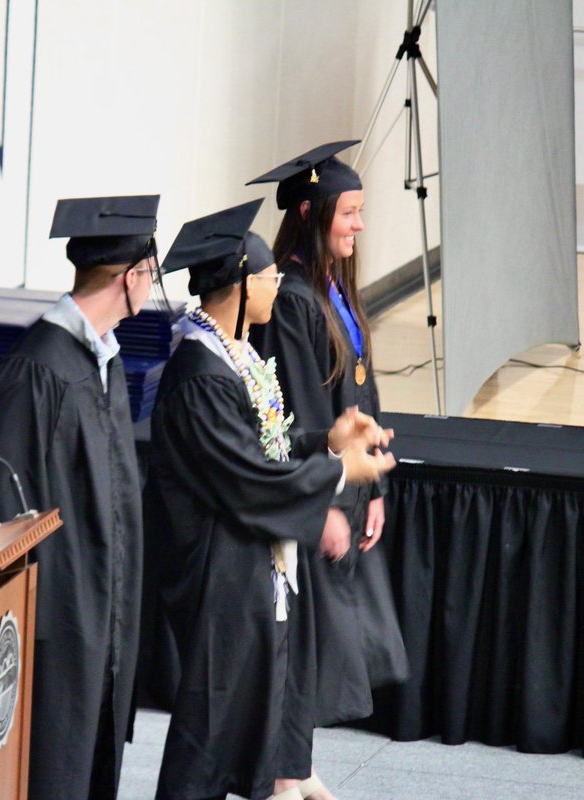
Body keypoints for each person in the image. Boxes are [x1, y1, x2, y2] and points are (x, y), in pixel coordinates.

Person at [147, 200, 395, 800]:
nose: (277, 287)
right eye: (268, 278)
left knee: (254, 700)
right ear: (237, 282)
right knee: (212, 722)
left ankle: (286, 778)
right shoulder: (201, 374)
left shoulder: (239, 356)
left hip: (254, 564)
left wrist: (325, 438)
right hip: (217, 570)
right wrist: (337, 472)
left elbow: (269, 445)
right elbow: (248, 478)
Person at [0, 195, 159, 799]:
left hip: (101, 609)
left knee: (90, 761)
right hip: (56, 617)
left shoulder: (101, 360)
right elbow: (1, 507)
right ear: (130, 278)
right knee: (53, 766)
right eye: (151, 276)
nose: (153, 288)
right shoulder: (38, 370)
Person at [248, 141, 408, 728]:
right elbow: (303, 419)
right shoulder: (293, 301)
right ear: (312, 215)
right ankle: (289, 772)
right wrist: (325, 504)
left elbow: (363, 389)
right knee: (313, 654)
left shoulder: (335, 289)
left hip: (351, 488)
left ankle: (295, 771)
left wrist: (377, 490)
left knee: (342, 650)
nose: (359, 225)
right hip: (322, 494)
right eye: (349, 213)